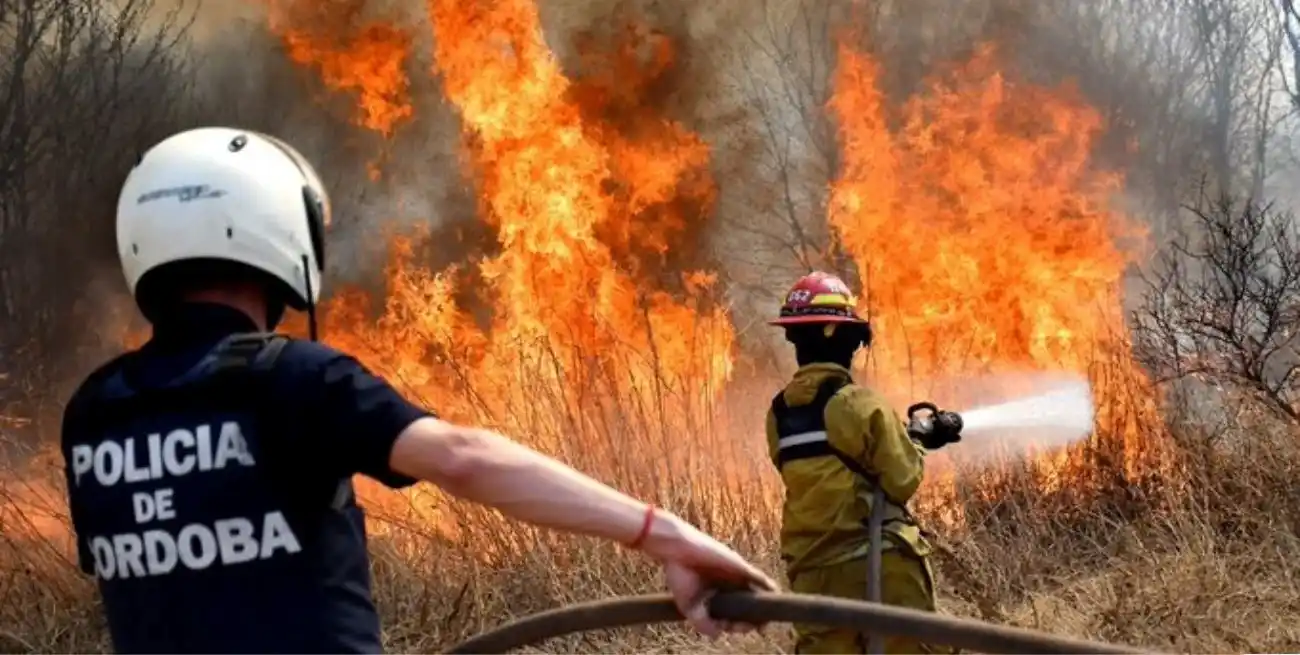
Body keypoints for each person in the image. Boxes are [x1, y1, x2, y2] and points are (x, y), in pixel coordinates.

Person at [60, 127, 777, 654]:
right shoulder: (295, 379)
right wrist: (668, 536)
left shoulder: (93, 413)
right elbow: (464, 457)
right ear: (279, 230)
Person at [765, 271, 960, 654]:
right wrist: (918, 438)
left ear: (793, 338)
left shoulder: (779, 413)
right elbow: (902, 479)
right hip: (878, 562)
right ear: (840, 337)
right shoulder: (859, 403)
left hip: (813, 574)